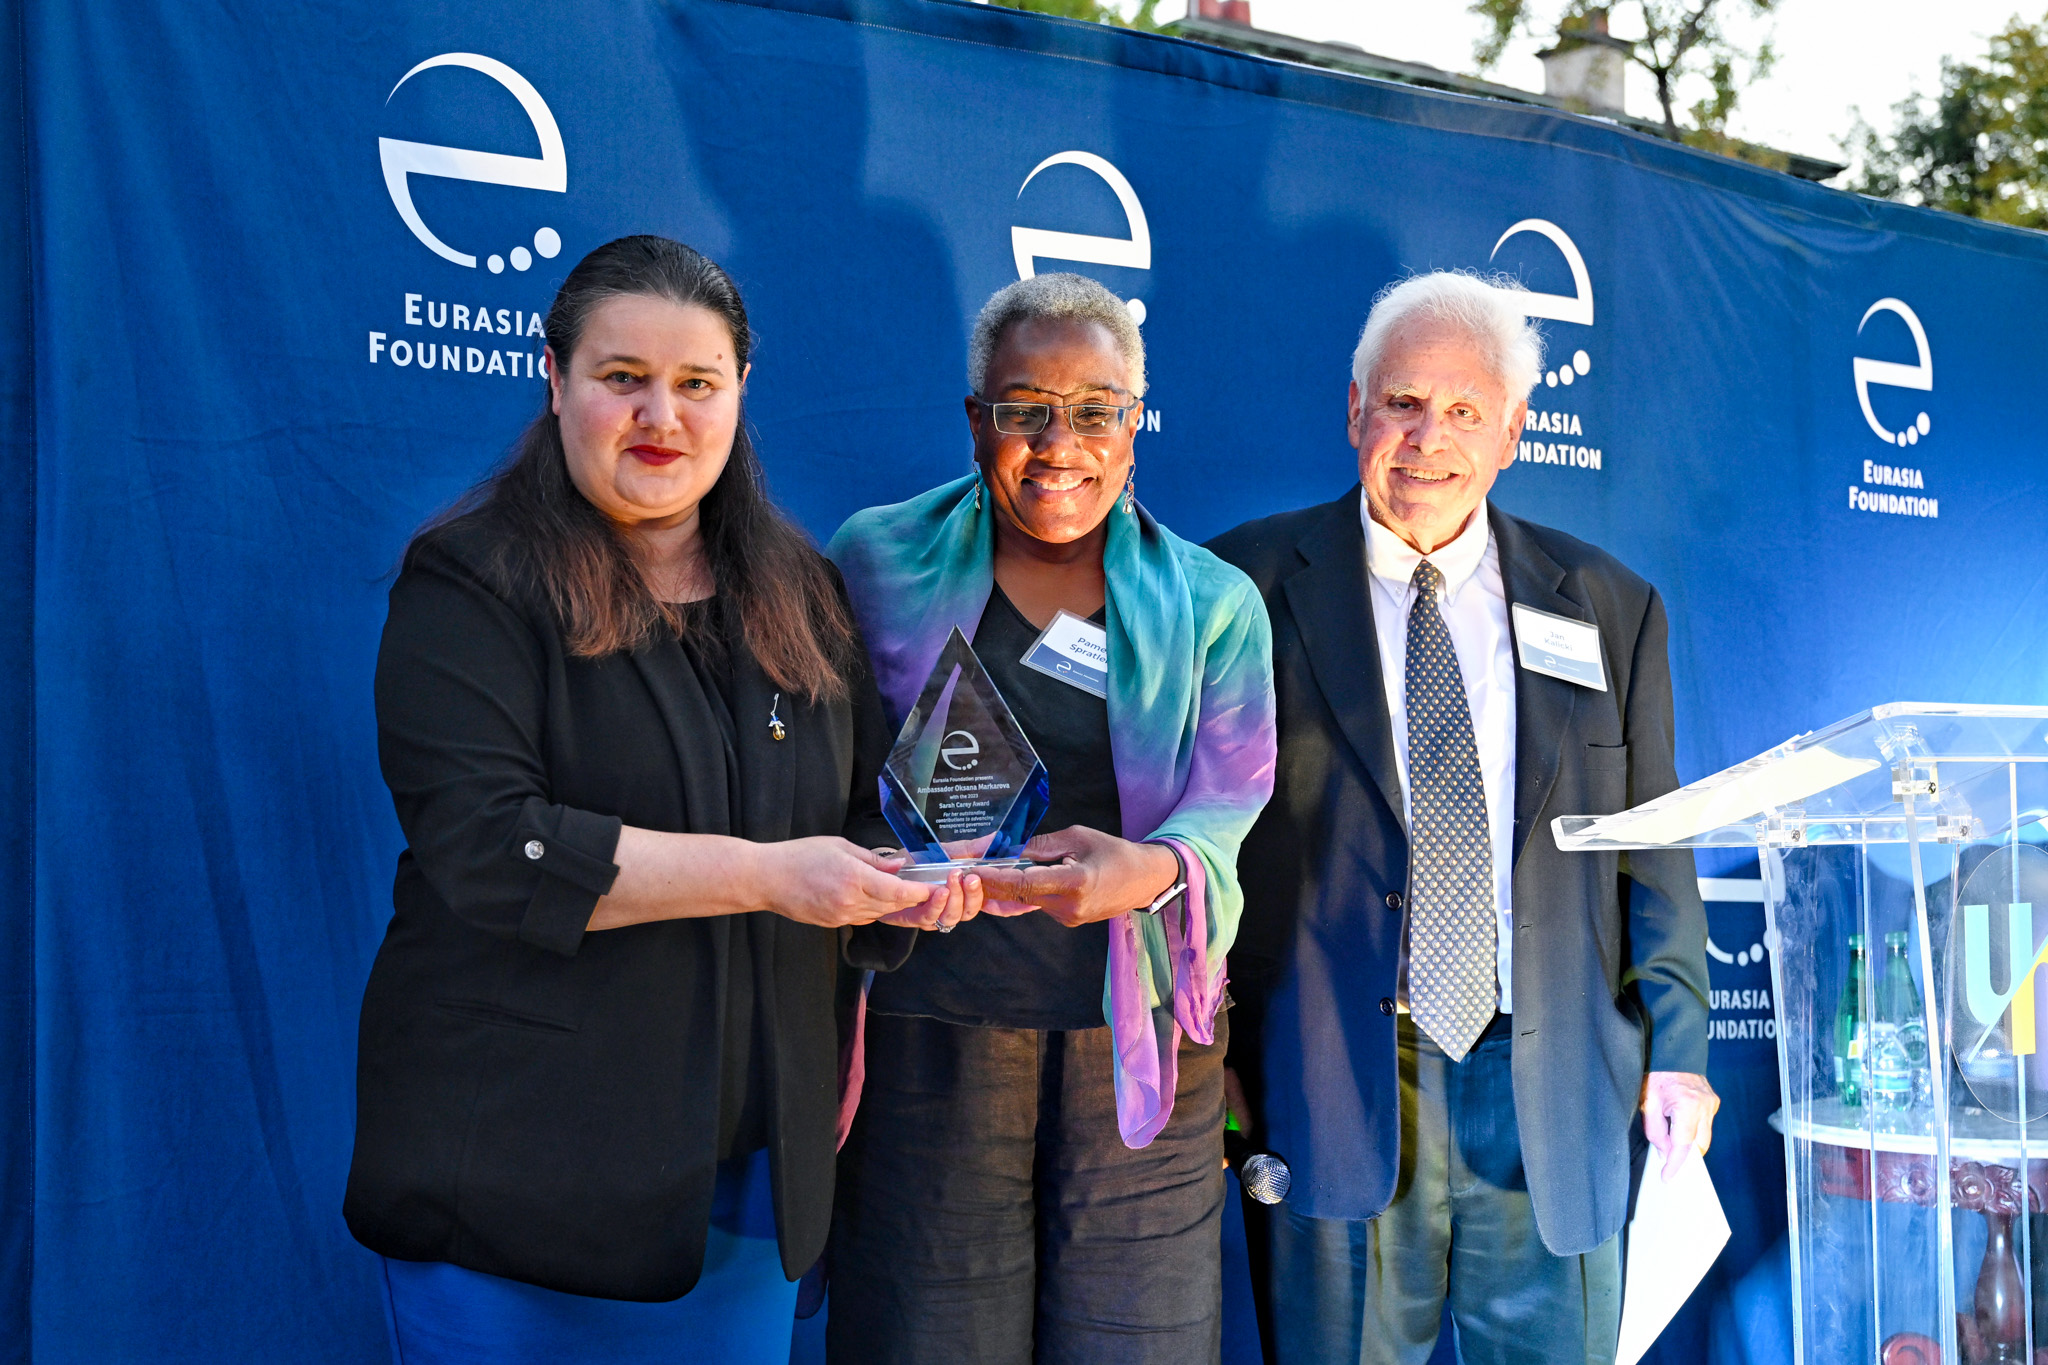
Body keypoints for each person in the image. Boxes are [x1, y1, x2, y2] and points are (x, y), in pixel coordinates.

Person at [343, 235, 980, 1365]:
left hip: (736, 1195)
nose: (661, 418)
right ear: (553, 378)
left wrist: (920, 882)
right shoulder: (469, 579)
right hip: (508, 1188)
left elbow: (868, 812)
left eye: (696, 384)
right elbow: (491, 849)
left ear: (740, 391)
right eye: (621, 379)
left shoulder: (802, 589)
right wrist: (771, 875)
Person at [1207, 270, 1717, 1365]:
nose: (1425, 437)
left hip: (1554, 1085)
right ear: (1353, 412)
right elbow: (1196, 844)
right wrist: (1209, 1054)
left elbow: (1651, 853)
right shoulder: (1237, 586)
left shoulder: (1608, 606)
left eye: (1463, 411)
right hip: (1330, 1079)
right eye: (1399, 403)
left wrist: (1676, 1050)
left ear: (1513, 433)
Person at [823, 272, 1276, 1364]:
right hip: (927, 1038)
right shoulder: (874, 562)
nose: (1057, 442)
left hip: (1142, 1057)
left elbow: (1232, 792)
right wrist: (879, 866)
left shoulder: (1215, 602)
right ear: (976, 422)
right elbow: (825, 773)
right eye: (1023, 408)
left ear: (1132, 427)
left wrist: (1157, 869)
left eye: (1092, 411)